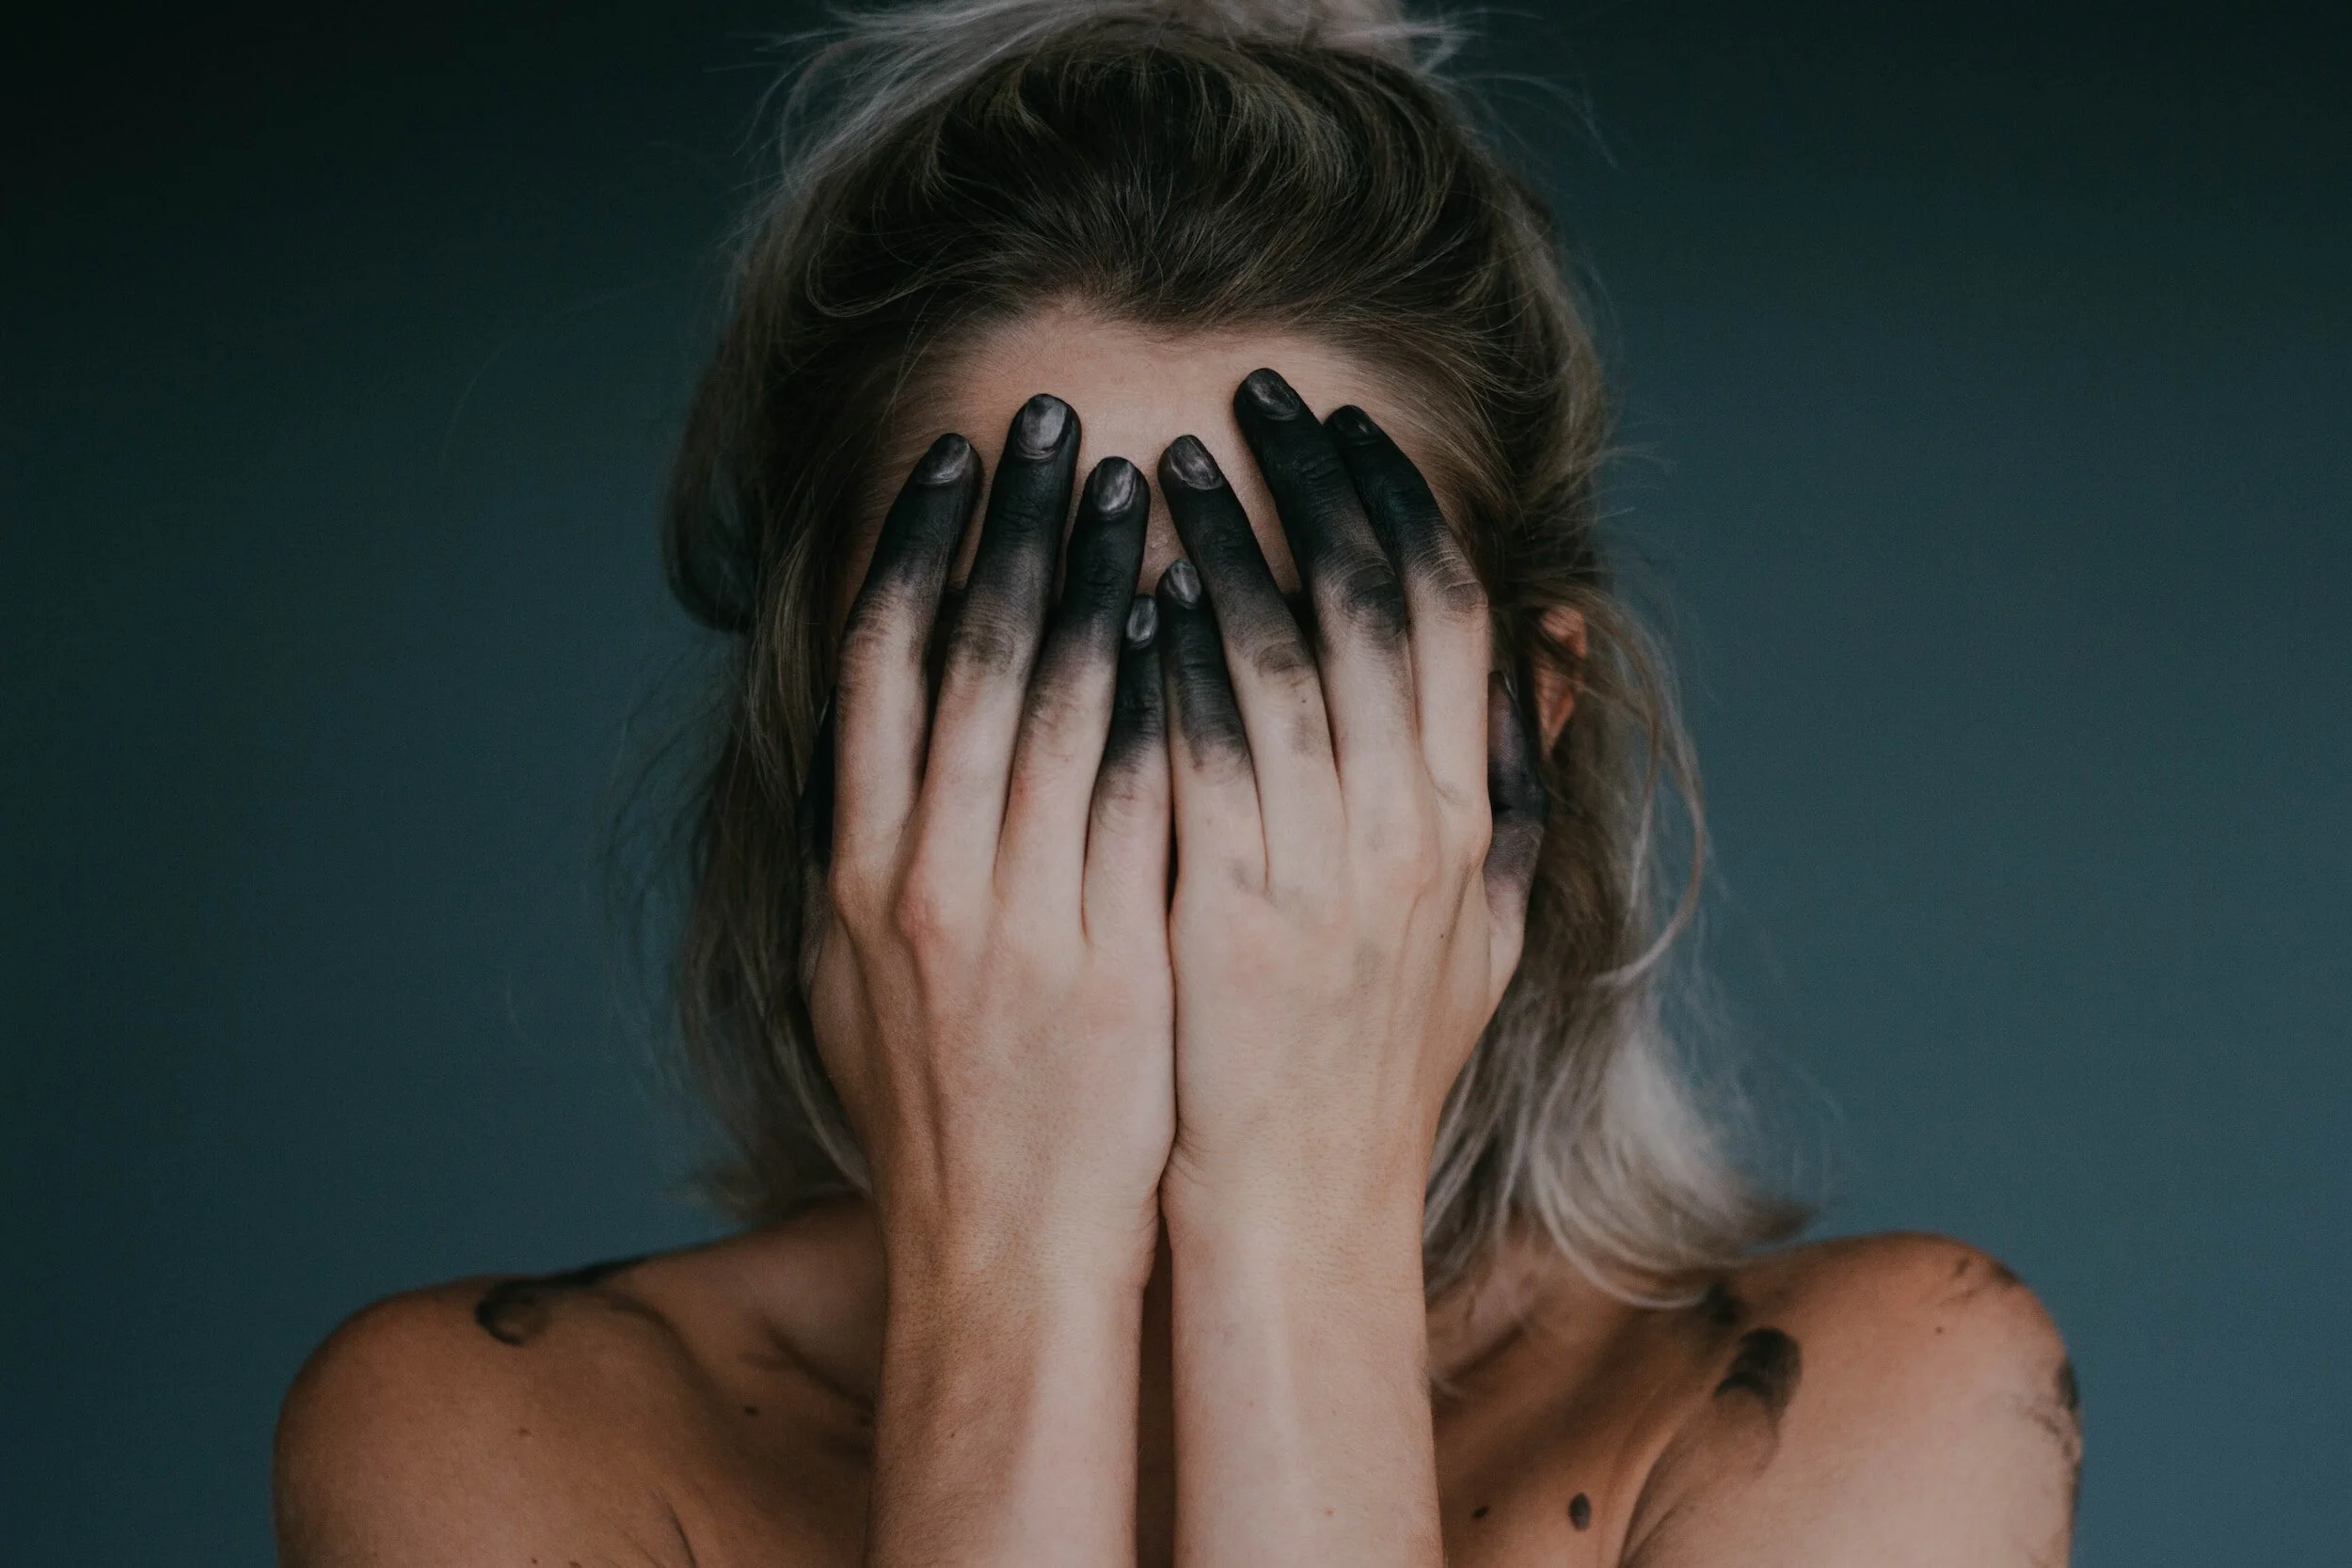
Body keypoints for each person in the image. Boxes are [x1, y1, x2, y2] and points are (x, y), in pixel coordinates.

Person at [272, 2, 2082, 1562]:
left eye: (1281, 669)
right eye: (1020, 655)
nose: (1144, 802)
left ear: (1517, 737)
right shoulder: (490, 1439)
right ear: (830, 739)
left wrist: (1289, 1228)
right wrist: (1015, 1270)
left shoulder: (1868, 1408)